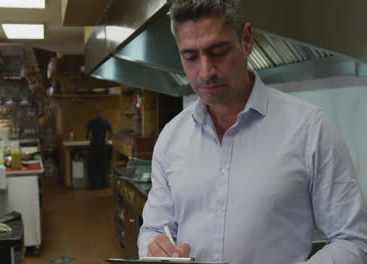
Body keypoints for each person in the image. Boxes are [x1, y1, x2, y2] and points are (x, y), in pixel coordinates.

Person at [138, 0, 367, 263]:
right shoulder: (171, 138)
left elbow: (352, 240)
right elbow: (153, 230)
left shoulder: (310, 128)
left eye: (218, 51)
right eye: (190, 57)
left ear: (247, 40)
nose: (205, 71)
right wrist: (156, 250)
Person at [86, 112, 112, 189]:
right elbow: (111, 133)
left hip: (93, 146)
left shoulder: (91, 121)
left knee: (92, 167)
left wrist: (88, 137)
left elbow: (87, 134)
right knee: (102, 166)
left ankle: (92, 186)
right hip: (102, 146)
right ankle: (102, 185)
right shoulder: (105, 122)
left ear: (95, 115)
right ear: (101, 116)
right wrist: (108, 139)